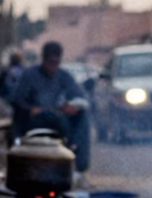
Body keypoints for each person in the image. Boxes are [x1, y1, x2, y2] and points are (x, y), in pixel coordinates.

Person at [9, 42, 91, 172]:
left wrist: (72, 106)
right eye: (50, 63)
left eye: (56, 63)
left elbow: (80, 97)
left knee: (83, 117)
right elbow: (17, 99)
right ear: (44, 60)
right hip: (34, 119)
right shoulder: (30, 75)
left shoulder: (63, 76)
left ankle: (78, 159)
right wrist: (30, 109)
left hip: (58, 118)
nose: (53, 67)